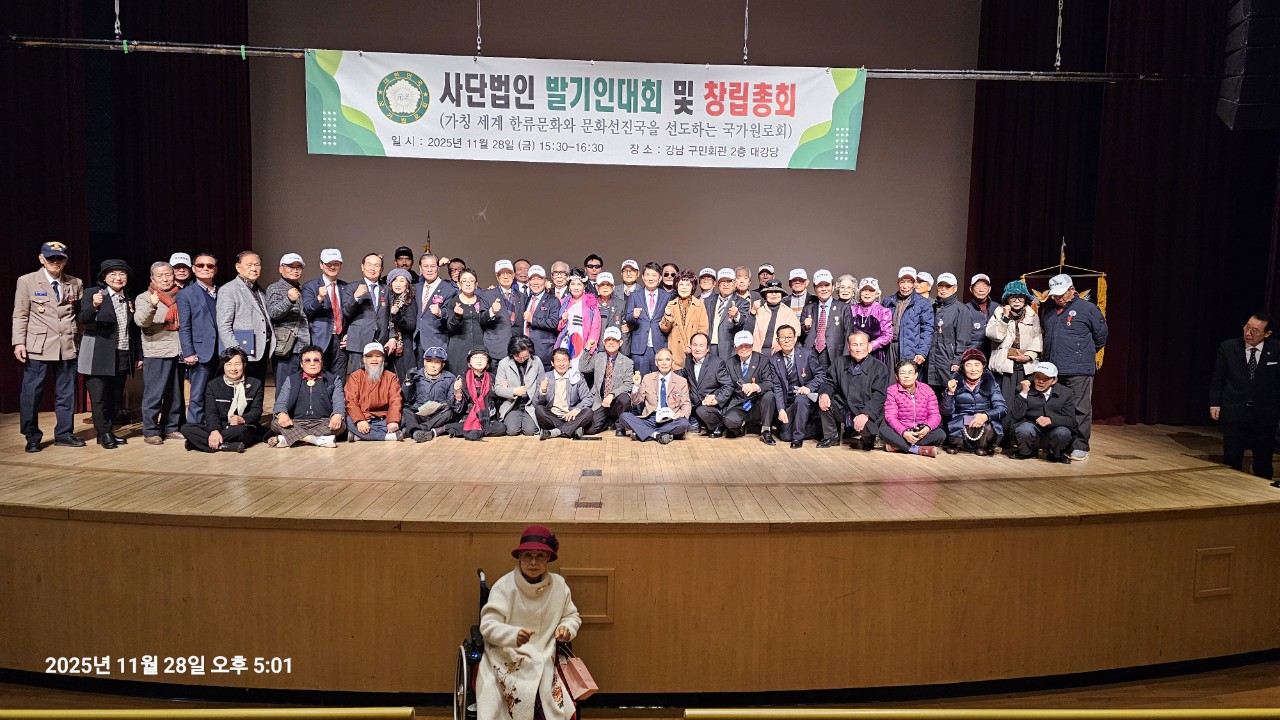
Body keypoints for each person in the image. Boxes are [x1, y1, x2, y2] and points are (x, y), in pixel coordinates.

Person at [476, 525, 581, 720]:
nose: (533, 562)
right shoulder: (504, 586)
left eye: (540, 556)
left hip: (545, 654)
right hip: (508, 654)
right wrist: (512, 635)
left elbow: (571, 616)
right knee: (522, 691)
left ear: (548, 558)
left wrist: (566, 628)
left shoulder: (559, 586)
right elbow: (488, 626)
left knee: (545, 695)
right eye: (527, 556)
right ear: (519, 557)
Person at [13, 241, 84, 452]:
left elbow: (79, 315)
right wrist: (19, 342)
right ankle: (32, 436)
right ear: (41, 259)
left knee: (66, 393)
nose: (55, 262)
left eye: (59, 258)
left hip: (67, 344)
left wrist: (78, 337)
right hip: (39, 345)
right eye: (51, 258)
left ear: (65, 261)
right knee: (32, 393)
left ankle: (64, 433)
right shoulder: (27, 281)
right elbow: (20, 314)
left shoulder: (75, 282)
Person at [1040, 273, 1108, 460]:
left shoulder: (1088, 309)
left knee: (1080, 408)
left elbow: (1101, 336)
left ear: (1072, 289)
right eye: (1055, 295)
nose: (1058, 298)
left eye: (1062, 294)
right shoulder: (1048, 309)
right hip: (1053, 368)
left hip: (1079, 369)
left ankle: (1080, 445)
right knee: (1055, 407)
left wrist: (1080, 353)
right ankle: (1058, 443)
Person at [79, 259, 142, 449]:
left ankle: (108, 431)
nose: (118, 278)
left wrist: (138, 355)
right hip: (98, 353)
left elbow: (134, 330)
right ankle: (104, 432)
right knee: (99, 395)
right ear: (104, 277)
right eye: (112, 274)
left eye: (122, 274)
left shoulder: (129, 298)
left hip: (122, 352)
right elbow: (83, 319)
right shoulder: (93, 293)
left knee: (115, 396)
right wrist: (94, 305)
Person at [1209, 313, 1279, 481]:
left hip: (1264, 413)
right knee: (1231, 459)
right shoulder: (1228, 347)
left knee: (1263, 460)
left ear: (1267, 334)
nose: (1248, 333)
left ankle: (1262, 492)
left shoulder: (1277, 350)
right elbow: (1217, 378)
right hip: (1235, 409)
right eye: (1247, 327)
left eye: (1255, 331)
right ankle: (1230, 490)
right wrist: (1214, 404)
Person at [134, 261, 186, 445]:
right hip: (156, 350)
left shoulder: (181, 295)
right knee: (154, 394)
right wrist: (152, 305)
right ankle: (150, 430)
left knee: (175, 394)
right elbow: (141, 321)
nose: (165, 279)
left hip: (178, 350)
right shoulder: (144, 297)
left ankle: (171, 427)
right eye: (160, 276)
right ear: (152, 279)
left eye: (168, 275)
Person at [986, 280, 1042, 441]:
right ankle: (1001, 439)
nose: (1017, 301)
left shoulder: (1032, 315)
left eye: (1020, 298)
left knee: (1023, 401)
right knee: (1004, 402)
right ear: (1007, 299)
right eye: (1013, 298)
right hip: (1005, 366)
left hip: (1025, 367)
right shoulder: (999, 312)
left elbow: (1037, 338)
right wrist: (1005, 317)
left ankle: (1019, 438)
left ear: (1025, 299)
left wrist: (1029, 356)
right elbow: (994, 335)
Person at [180, 346, 263, 453]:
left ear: (244, 365)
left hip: (243, 426)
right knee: (186, 428)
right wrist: (214, 431)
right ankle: (224, 446)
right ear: (223, 366)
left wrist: (242, 419)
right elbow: (211, 413)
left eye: (238, 364)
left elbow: (256, 411)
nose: (233, 368)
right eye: (229, 364)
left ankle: (198, 442)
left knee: (241, 432)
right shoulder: (213, 385)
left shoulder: (255, 384)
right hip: (221, 426)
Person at [817, 331, 891, 450]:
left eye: (862, 345)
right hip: (844, 407)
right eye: (854, 345)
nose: (858, 349)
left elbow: (879, 395)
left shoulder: (880, 367)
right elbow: (829, 382)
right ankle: (831, 437)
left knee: (866, 433)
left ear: (868, 346)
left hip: (865, 410)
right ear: (848, 347)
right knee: (824, 401)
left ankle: (868, 438)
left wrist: (866, 414)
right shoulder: (840, 362)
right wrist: (824, 394)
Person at [268, 344, 344, 448]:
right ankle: (315, 440)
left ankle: (291, 438)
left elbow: (339, 402)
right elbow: (280, 403)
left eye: (316, 360)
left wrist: (337, 415)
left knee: (341, 425)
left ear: (322, 362)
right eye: (307, 360)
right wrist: (281, 414)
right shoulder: (291, 380)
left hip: (323, 422)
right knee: (275, 423)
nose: (312, 364)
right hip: (295, 423)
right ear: (301, 364)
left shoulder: (333, 379)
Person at [216, 251, 274, 382]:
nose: (254, 268)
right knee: (242, 391)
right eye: (249, 265)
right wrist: (236, 353)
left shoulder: (259, 290)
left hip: (261, 352)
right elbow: (224, 325)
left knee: (257, 390)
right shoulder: (229, 289)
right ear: (238, 267)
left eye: (257, 265)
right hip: (243, 351)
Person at [765, 325, 827, 449]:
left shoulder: (807, 354)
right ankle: (813, 428)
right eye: (783, 338)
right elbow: (777, 386)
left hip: (805, 399)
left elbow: (821, 375)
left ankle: (798, 438)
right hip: (789, 402)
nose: (786, 340)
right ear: (778, 340)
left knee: (801, 399)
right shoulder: (773, 360)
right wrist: (781, 409)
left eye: (789, 337)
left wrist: (809, 387)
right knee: (785, 436)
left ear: (795, 338)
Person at [177, 253, 221, 424]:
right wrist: (188, 352)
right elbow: (185, 325)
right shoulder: (186, 294)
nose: (205, 268)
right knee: (197, 394)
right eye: (200, 265)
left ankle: (214, 425)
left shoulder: (222, 291)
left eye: (210, 266)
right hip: (201, 352)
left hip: (221, 351)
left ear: (215, 270)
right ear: (194, 269)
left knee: (217, 393)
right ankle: (194, 428)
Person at [941, 348, 1007, 456]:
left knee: (989, 425)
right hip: (961, 423)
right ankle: (957, 445)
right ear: (963, 368)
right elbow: (946, 412)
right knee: (959, 422)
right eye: (969, 365)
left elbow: (1002, 408)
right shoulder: (954, 383)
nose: (973, 369)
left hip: (984, 424)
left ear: (983, 367)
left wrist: (986, 416)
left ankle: (983, 446)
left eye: (977, 365)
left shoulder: (992, 384)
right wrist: (950, 393)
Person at [1009, 361, 1078, 463]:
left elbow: (1071, 420)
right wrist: (1024, 393)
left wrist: (1051, 420)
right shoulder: (1023, 389)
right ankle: (1026, 452)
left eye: (1046, 378)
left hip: (1054, 430)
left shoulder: (1065, 393)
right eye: (1037, 377)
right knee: (1024, 429)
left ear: (1054, 380)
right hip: (1031, 429)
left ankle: (1055, 454)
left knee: (1062, 433)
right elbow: (1016, 415)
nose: (1041, 381)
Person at [618, 348, 689, 443]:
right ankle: (659, 435)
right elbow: (636, 401)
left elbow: (686, 404)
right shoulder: (648, 378)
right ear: (656, 363)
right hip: (650, 419)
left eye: (667, 360)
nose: (664, 363)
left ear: (672, 363)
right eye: (660, 360)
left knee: (684, 423)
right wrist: (636, 386)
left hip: (671, 419)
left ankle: (644, 433)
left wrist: (682, 413)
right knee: (624, 416)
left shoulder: (681, 381)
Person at [266, 253, 311, 391]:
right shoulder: (274, 288)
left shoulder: (300, 289)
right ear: (281, 269)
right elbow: (273, 313)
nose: (295, 270)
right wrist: (289, 300)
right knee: (284, 389)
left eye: (298, 267)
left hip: (302, 348)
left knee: (299, 389)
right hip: (286, 349)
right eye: (291, 267)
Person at [880, 359, 944, 457]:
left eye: (910, 373)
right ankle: (916, 449)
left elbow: (935, 415)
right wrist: (904, 433)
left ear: (916, 375)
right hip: (901, 432)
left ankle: (898, 446)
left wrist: (927, 428)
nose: (907, 376)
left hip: (921, 432)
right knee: (883, 431)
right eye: (902, 373)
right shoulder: (891, 391)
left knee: (940, 434)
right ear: (897, 376)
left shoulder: (927, 389)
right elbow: (890, 417)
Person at [301, 248, 349, 378]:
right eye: (328, 264)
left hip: (340, 340)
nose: (332, 267)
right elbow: (307, 311)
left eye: (336, 264)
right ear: (321, 265)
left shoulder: (346, 287)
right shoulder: (310, 286)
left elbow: (350, 314)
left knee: (339, 377)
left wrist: (349, 333)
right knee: (320, 377)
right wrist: (319, 298)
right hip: (320, 339)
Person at [340, 253, 390, 377]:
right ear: (362, 267)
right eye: (369, 265)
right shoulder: (351, 287)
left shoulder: (386, 289)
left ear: (382, 269)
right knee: (357, 378)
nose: (372, 268)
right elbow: (346, 313)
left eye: (376, 265)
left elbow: (390, 316)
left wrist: (392, 337)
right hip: (358, 341)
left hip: (381, 340)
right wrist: (356, 297)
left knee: (379, 379)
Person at [442, 346, 508, 440]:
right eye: (476, 357)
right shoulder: (463, 377)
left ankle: (457, 429)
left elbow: (498, 403)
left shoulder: (493, 377)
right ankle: (469, 429)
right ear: (470, 361)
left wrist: (502, 390)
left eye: (483, 358)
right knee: (469, 425)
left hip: (487, 417)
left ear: (487, 361)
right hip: (469, 416)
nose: (479, 360)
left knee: (502, 428)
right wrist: (457, 392)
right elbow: (457, 409)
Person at [583, 326, 637, 436]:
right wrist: (587, 349)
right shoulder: (598, 357)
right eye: (608, 340)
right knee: (590, 430)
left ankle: (620, 426)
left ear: (620, 343)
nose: (611, 343)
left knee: (625, 398)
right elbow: (584, 368)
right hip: (600, 401)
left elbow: (628, 385)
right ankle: (608, 421)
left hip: (616, 401)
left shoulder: (628, 362)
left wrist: (612, 394)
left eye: (614, 340)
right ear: (604, 342)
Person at [344, 342, 404, 441]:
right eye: (369, 356)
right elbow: (351, 401)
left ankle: (360, 436)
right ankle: (387, 436)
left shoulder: (391, 377)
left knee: (403, 418)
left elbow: (396, 400)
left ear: (383, 359)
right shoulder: (355, 376)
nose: (374, 359)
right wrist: (360, 420)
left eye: (378, 356)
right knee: (347, 420)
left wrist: (393, 420)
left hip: (384, 418)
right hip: (364, 418)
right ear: (364, 359)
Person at [722, 330, 776, 440]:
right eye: (740, 345)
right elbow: (727, 385)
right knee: (729, 420)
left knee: (769, 395)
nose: (743, 348)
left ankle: (766, 430)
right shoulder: (730, 363)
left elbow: (770, 383)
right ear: (735, 347)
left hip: (757, 403)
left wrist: (756, 387)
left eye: (747, 345)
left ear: (752, 345)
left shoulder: (763, 360)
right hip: (739, 402)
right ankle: (742, 426)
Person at [926, 272, 976, 388]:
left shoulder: (961, 310)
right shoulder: (933, 307)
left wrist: (957, 360)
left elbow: (964, 340)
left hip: (948, 362)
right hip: (931, 362)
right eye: (941, 286)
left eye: (948, 286)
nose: (943, 289)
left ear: (955, 288)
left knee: (950, 392)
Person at [446, 268, 499, 376]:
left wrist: (492, 311)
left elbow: (487, 323)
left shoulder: (482, 300)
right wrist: (457, 316)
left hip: (479, 347)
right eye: (464, 281)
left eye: (471, 280)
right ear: (459, 284)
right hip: (458, 347)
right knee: (459, 378)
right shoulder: (453, 302)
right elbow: (451, 328)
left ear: (476, 285)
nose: (468, 283)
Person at [533, 348, 595, 440]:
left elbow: (588, 398)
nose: (561, 364)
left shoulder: (577, 377)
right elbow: (536, 403)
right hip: (552, 416)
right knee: (539, 410)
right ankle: (572, 430)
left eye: (564, 360)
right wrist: (543, 391)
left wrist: (576, 410)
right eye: (558, 361)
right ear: (552, 363)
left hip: (571, 416)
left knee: (588, 412)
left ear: (569, 363)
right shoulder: (544, 377)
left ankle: (556, 432)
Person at [680, 332, 733, 436]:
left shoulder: (717, 363)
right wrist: (666, 372)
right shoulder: (689, 359)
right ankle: (696, 420)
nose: (697, 349)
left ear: (708, 348)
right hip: (694, 401)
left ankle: (718, 425)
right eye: (694, 345)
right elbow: (684, 373)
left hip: (710, 403)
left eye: (701, 346)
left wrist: (716, 399)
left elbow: (729, 386)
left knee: (702, 411)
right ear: (690, 347)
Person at [402, 345, 457, 442]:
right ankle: (417, 431)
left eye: (437, 362)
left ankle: (418, 430)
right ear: (424, 362)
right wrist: (408, 381)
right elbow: (407, 398)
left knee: (449, 413)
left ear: (442, 365)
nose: (432, 365)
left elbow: (452, 398)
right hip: (419, 413)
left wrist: (446, 404)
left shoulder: (450, 378)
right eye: (429, 361)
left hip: (437, 415)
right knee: (405, 410)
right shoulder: (416, 375)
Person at [624, 262, 671, 375]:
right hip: (639, 346)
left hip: (659, 345)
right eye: (648, 275)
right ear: (643, 277)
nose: (650, 278)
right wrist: (633, 315)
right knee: (639, 380)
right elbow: (627, 317)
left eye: (654, 275)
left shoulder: (667, 296)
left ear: (660, 278)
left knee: (659, 379)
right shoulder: (635, 295)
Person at [882, 266, 933, 370]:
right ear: (898, 283)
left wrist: (922, 352)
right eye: (902, 282)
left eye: (909, 282)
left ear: (914, 284)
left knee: (907, 378)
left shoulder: (923, 303)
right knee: (889, 378)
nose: (905, 286)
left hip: (911, 350)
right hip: (889, 348)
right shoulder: (888, 301)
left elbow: (927, 329)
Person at [659, 270, 709, 371]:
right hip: (675, 351)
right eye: (681, 284)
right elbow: (664, 328)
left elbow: (703, 329)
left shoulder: (699, 305)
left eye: (688, 285)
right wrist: (667, 315)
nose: (684, 287)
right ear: (676, 286)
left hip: (694, 351)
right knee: (676, 377)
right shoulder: (671, 304)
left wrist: (692, 346)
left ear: (693, 287)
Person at [495, 335, 543, 437]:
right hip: (512, 404)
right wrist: (513, 391)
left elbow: (541, 383)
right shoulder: (504, 363)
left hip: (530, 403)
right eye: (518, 357)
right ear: (512, 353)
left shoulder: (536, 361)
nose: (522, 359)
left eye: (525, 357)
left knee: (530, 431)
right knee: (512, 431)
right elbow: (498, 389)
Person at [413, 253, 456, 365]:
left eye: (432, 266)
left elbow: (451, 314)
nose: (429, 270)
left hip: (436, 340)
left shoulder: (449, 289)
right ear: (420, 268)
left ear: (438, 268)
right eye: (425, 266)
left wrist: (440, 313)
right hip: (416, 341)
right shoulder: (416, 288)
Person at [481, 260, 525, 371]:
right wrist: (492, 311)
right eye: (502, 273)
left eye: (509, 273)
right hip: (495, 349)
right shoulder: (487, 295)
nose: (506, 276)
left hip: (516, 349)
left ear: (513, 275)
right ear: (497, 276)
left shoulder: (522, 296)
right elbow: (482, 320)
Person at [556, 275, 600, 373]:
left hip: (583, 342)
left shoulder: (591, 302)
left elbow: (595, 327)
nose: (575, 287)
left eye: (579, 284)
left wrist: (590, 348)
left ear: (584, 286)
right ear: (569, 286)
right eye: (573, 284)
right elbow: (557, 327)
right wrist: (563, 320)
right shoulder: (563, 302)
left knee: (580, 370)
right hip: (566, 341)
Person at [845, 277, 894, 365]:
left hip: (875, 354)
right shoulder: (851, 310)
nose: (867, 293)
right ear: (859, 293)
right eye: (864, 290)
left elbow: (888, 336)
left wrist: (871, 345)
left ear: (877, 293)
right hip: (854, 354)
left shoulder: (883, 312)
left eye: (871, 291)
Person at [704, 268, 750, 361]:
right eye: (722, 281)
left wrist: (736, 315)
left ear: (735, 283)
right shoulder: (708, 301)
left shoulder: (742, 302)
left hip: (729, 349)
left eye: (729, 281)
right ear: (718, 284)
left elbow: (743, 321)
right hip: (710, 347)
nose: (726, 284)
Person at [523, 265, 562, 370]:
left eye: (539, 279)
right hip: (525, 351)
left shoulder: (553, 301)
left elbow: (553, 323)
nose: (536, 282)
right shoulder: (527, 299)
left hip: (543, 352)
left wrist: (532, 319)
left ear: (545, 281)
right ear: (528, 282)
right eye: (532, 279)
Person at [798, 270, 843, 360]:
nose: (823, 289)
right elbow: (800, 336)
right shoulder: (808, 308)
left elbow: (848, 335)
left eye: (827, 285)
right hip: (811, 353)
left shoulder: (843, 308)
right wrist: (806, 328)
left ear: (833, 287)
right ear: (815, 289)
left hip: (834, 354)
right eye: (819, 286)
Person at [386, 268, 418, 380]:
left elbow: (411, 325)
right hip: (388, 345)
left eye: (402, 280)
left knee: (404, 378)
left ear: (407, 284)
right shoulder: (388, 300)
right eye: (395, 280)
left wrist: (397, 316)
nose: (398, 284)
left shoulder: (409, 300)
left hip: (405, 346)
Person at [750, 281, 800, 354]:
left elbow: (796, 333)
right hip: (759, 352)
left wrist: (783, 347)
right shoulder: (759, 311)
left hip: (781, 353)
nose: (773, 294)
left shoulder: (789, 312)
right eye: (770, 292)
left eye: (777, 292)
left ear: (781, 294)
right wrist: (753, 311)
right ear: (765, 295)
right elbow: (748, 330)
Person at [594, 272, 629, 350]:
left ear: (613, 287)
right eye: (602, 285)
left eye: (608, 285)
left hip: (613, 349)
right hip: (594, 347)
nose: (605, 287)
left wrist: (624, 352)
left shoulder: (621, 304)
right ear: (597, 287)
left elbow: (624, 331)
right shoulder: (591, 303)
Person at [966, 273, 997, 355]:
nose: (981, 290)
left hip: (994, 353)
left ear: (989, 289)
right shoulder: (965, 309)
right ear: (971, 289)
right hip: (973, 353)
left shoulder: (997, 308)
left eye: (985, 287)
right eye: (977, 286)